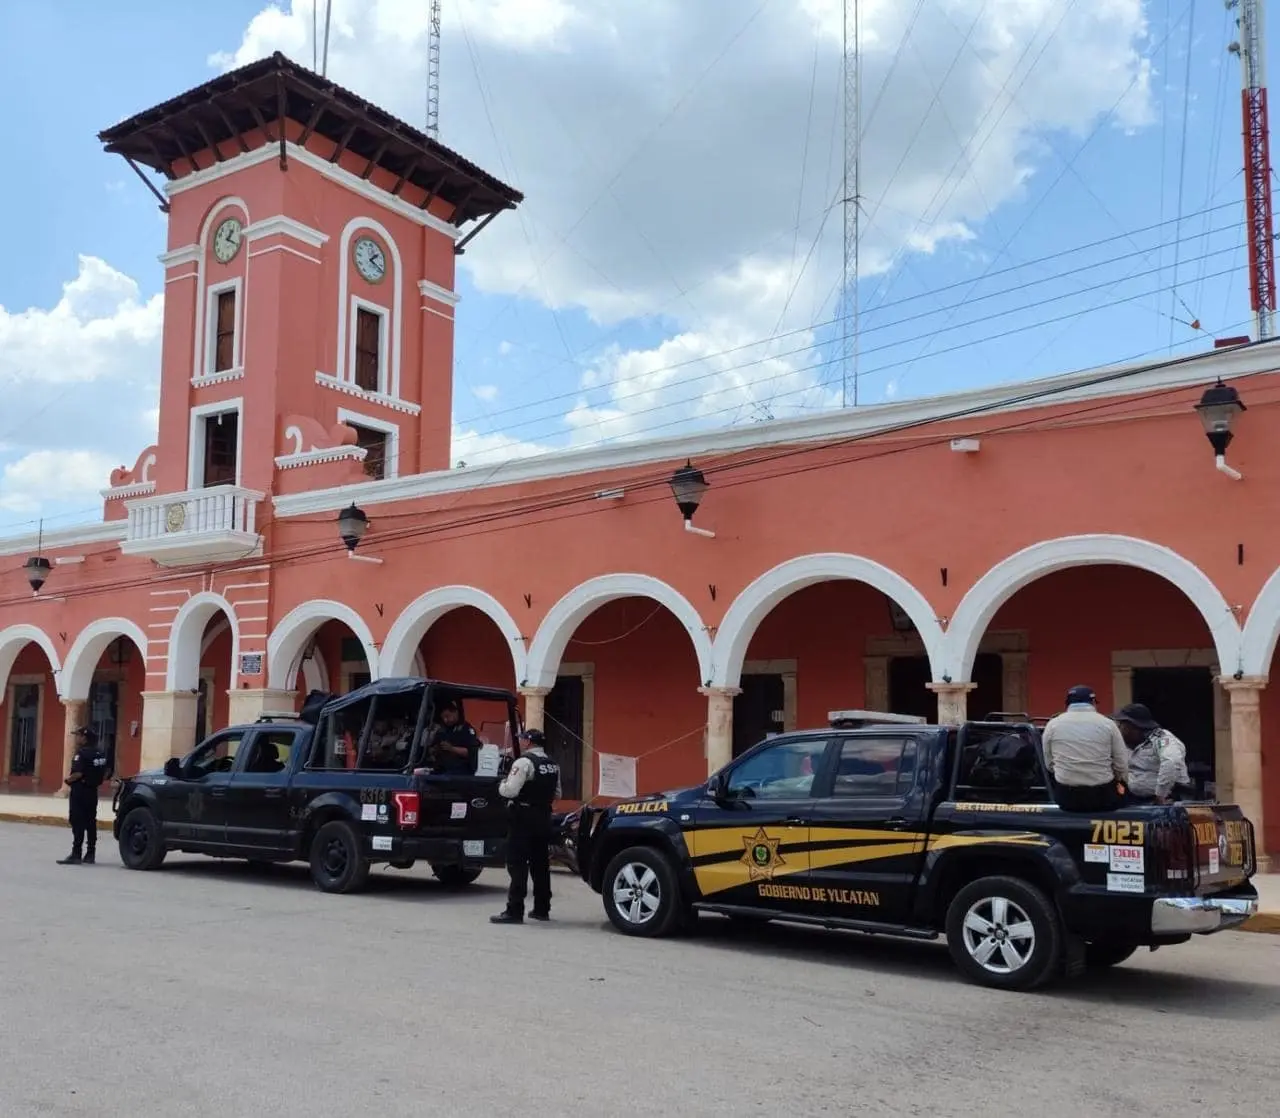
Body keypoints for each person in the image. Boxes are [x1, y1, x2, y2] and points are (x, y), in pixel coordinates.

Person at [491, 729, 561, 925]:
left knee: (517, 863)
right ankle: (542, 908)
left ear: (529, 741)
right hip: (543, 816)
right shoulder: (552, 764)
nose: (520, 741)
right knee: (540, 864)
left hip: (523, 816)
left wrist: (501, 784)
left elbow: (510, 791)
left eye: (522, 738)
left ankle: (514, 910)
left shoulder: (524, 762)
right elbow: (558, 793)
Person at [1041, 685, 1129, 812]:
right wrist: (1119, 780)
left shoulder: (1052, 724)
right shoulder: (1108, 724)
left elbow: (1049, 764)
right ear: (1093, 702)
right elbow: (1121, 763)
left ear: (1067, 704)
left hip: (1067, 797)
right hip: (1102, 797)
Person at [1113, 703, 1191, 803]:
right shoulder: (1127, 744)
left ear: (1133, 726)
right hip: (1136, 800)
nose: (1119, 729)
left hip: (1166, 801)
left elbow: (1171, 762)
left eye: (1121, 725)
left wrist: (1161, 794)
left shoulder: (1162, 739)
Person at [58, 725, 107, 865]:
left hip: (80, 791)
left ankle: (76, 853)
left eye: (79, 736)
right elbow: (106, 772)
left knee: (77, 821)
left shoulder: (82, 754)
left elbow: (78, 773)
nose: (77, 738)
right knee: (91, 822)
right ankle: (91, 853)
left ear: (85, 738)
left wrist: (68, 781)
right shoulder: (100, 754)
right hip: (93, 791)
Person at [429, 700, 481, 775]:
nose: (445, 720)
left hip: (461, 772)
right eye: (443, 718)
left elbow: (471, 752)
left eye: (447, 716)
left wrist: (451, 748)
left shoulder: (466, 729)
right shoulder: (443, 730)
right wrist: (435, 749)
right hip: (442, 769)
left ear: (455, 712)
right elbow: (434, 746)